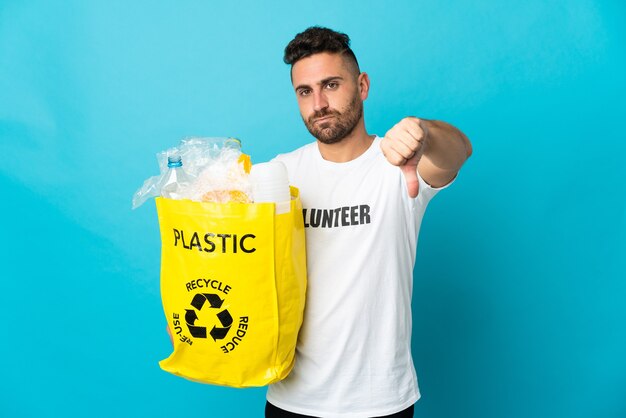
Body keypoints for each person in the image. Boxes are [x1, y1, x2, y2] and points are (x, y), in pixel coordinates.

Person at [264, 27, 472, 418]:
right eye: (305, 91)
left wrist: (425, 134)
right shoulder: (280, 174)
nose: (319, 103)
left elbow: (459, 151)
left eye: (330, 84)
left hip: (380, 402)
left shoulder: (398, 163)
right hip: (291, 399)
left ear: (361, 85)